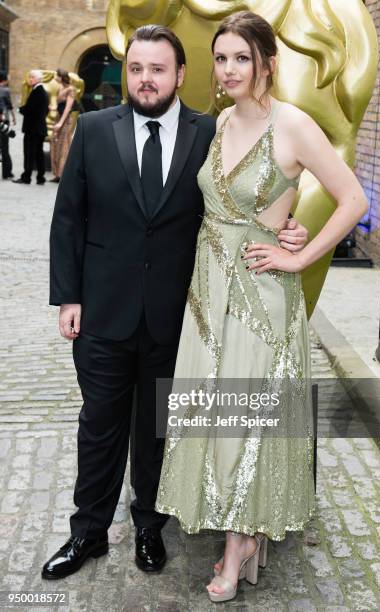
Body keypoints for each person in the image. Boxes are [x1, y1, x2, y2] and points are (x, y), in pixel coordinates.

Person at [44, 24, 308, 581]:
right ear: (126, 74)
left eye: (158, 69)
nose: (145, 79)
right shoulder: (92, 130)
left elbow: (247, 194)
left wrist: (289, 228)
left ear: (180, 74)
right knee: (99, 425)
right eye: (136, 69)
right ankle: (86, 532)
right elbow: (68, 218)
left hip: (181, 316)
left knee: (159, 428)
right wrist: (67, 297)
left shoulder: (210, 132)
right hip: (102, 312)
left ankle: (148, 526)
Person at [155, 11, 368, 603]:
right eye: (221, 58)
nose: (228, 69)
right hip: (207, 295)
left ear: (267, 63)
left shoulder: (293, 124)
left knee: (246, 422)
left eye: (241, 58)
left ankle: (237, 545)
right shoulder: (221, 121)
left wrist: (299, 255)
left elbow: (352, 198)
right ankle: (238, 533)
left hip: (259, 296)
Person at [13, 69, 49, 185]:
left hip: (32, 129)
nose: (30, 79)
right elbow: (46, 110)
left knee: (29, 153)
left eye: (32, 77)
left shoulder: (37, 91)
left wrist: (19, 109)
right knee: (38, 153)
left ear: (38, 79)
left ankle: (26, 177)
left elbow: (29, 109)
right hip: (39, 128)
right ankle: (40, 177)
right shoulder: (43, 91)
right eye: (30, 77)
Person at [50, 69, 77, 183]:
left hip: (65, 120)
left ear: (61, 77)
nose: (55, 78)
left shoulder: (71, 89)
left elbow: (68, 107)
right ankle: (57, 173)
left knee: (64, 145)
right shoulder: (60, 88)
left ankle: (62, 175)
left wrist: (61, 122)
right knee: (55, 144)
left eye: (57, 76)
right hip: (58, 118)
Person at [0, 70, 16, 180]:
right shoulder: (5, 90)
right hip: (3, 121)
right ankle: (7, 172)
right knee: (5, 147)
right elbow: (9, 106)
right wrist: (14, 117)